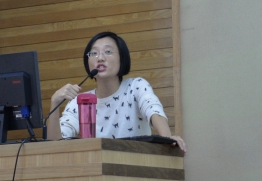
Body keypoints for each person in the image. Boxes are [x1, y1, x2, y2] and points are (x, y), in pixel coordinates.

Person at [46, 31, 187, 153]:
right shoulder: (81, 101)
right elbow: (55, 147)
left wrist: (168, 139)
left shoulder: (136, 87)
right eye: (94, 53)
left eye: (108, 52)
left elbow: (153, 110)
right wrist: (54, 103)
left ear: (122, 58)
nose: (100, 58)